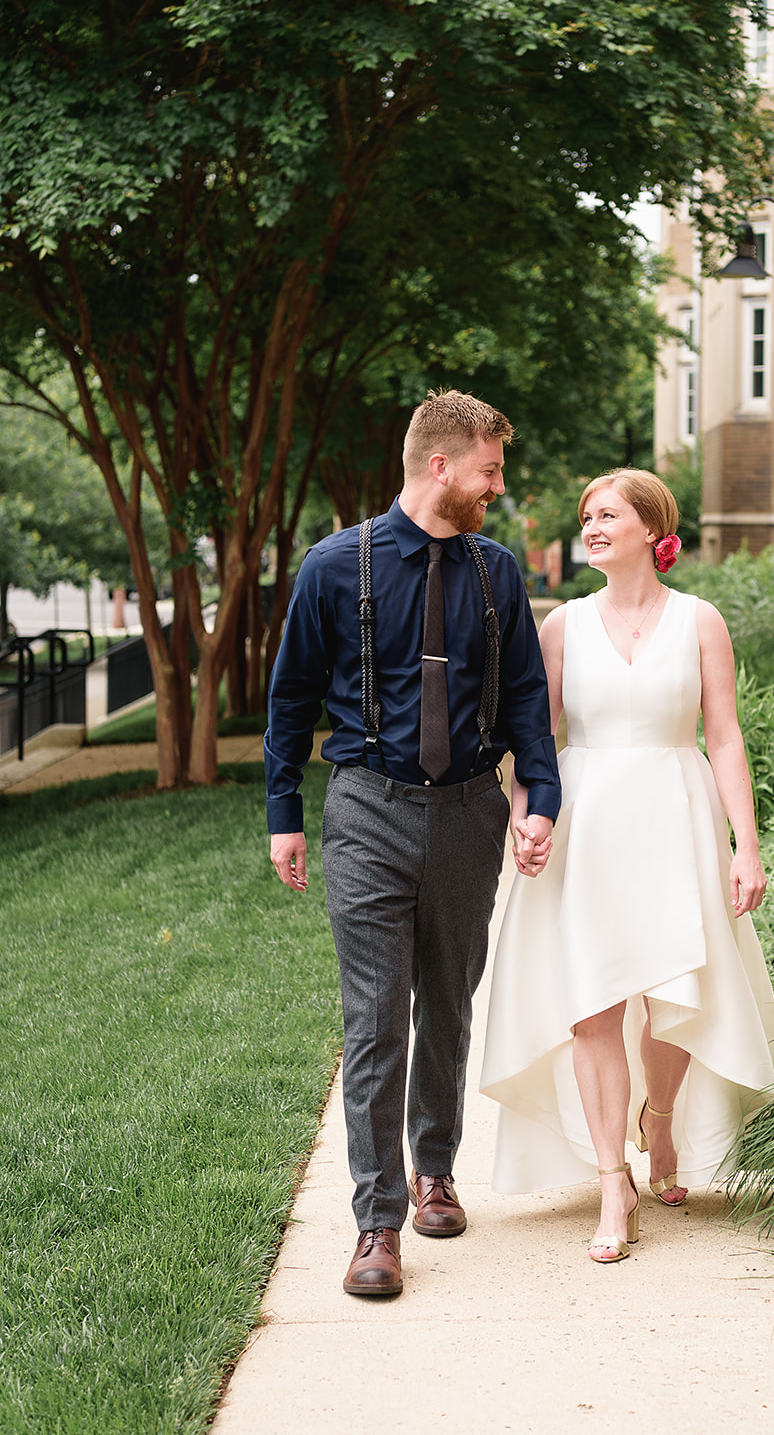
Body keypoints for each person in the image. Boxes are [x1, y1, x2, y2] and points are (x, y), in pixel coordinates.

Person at [265, 390, 560, 1298]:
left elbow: (523, 697)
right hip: (366, 811)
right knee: (374, 1016)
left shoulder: (496, 571)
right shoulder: (330, 567)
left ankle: (436, 1167)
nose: (497, 488)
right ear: (442, 467)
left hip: (471, 808)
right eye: (489, 471)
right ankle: (377, 1223)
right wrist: (284, 812)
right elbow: (289, 700)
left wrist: (538, 796)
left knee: (449, 1000)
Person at [480, 469, 774, 1262]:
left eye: (607, 513)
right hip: (587, 824)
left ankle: (661, 1121)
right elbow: (535, 741)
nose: (592, 526)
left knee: (673, 983)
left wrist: (746, 844)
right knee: (594, 1004)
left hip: (678, 816)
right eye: (587, 516)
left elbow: (727, 736)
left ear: (653, 528)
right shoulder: (562, 627)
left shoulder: (700, 621)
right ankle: (615, 1180)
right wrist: (525, 816)